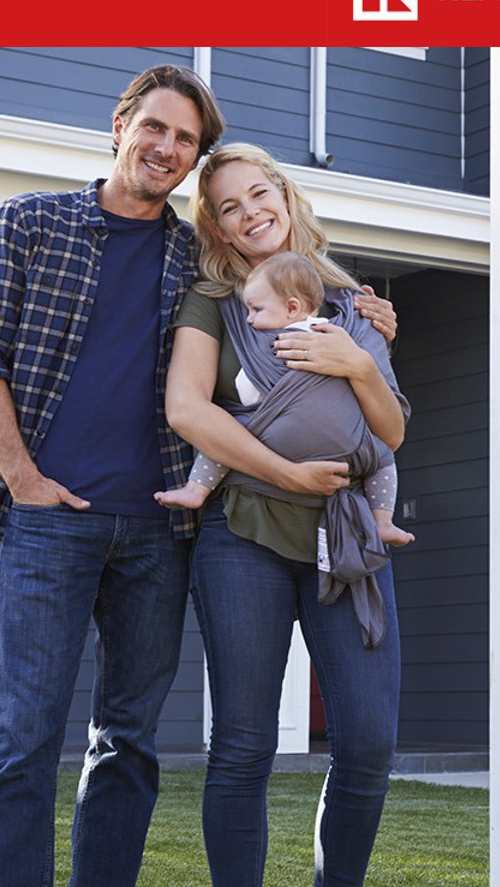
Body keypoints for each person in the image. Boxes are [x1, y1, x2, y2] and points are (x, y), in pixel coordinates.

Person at [0, 68, 394, 887]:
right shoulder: (29, 222)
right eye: (155, 127)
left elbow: (287, 283)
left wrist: (362, 316)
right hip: (51, 515)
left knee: (125, 742)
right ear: (121, 123)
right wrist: (23, 477)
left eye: (185, 139)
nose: (166, 147)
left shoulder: (200, 256)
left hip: (161, 528)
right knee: (24, 739)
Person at [163, 142, 407, 887]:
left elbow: (391, 431)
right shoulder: (214, 300)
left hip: (346, 538)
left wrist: (360, 362)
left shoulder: (351, 302)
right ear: (218, 228)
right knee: (242, 743)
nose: (250, 213)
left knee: (367, 741)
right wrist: (285, 471)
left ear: (285, 193)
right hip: (246, 534)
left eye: (258, 193)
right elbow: (188, 408)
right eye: (229, 207)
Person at [155, 250, 415, 549]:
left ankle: (195, 489)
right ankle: (382, 521)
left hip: (282, 449)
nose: (250, 319)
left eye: (255, 310)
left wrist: (361, 366)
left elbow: (247, 388)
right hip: (341, 456)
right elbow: (388, 438)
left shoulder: (273, 341)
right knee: (383, 460)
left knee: (224, 437)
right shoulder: (338, 331)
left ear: (291, 307)